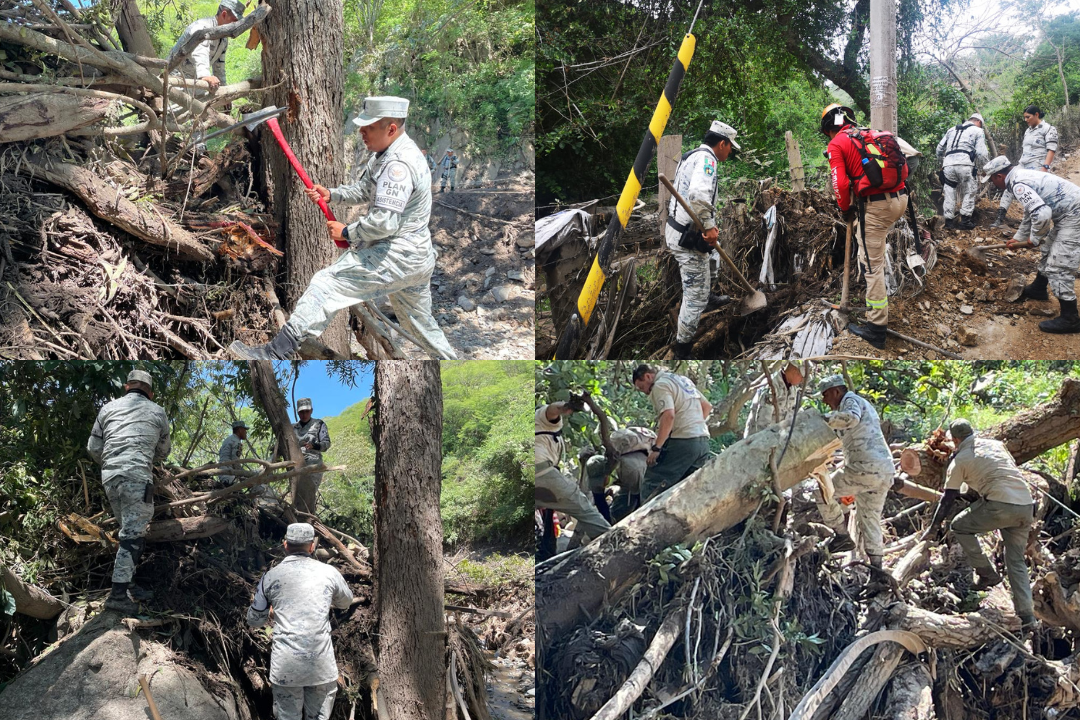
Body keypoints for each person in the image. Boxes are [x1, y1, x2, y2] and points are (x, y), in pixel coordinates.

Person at [230, 96, 457, 360]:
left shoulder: (398, 165)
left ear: (391, 129)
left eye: (369, 127)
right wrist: (332, 194)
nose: (362, 131)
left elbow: (385, 222)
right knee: (421, 326)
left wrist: (348, 232)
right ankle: (454, 363)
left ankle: (275, 352)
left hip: (398, 256)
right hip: (416, 258)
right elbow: (364, 189)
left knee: (328, 283)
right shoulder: (387, 154)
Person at [921, 419, 1037, 631]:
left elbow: (948, 498)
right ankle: (1027, 616)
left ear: (955, 440)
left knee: (959, 526)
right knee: (1016, 563)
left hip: (1000, 506)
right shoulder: (996, 445)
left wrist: (933, 527)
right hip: (1026, 505)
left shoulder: (960, 460)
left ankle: (986, 573)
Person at [820, 103, 909, 349]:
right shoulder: (869, 133)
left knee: (871, 265)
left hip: (877, 207)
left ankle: (876, 329)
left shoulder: (836, 143)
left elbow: (839, 184)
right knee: (875, 251)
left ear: (829, 128)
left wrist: (845, 208)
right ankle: (881, 299)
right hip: (900, 199)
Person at [247, 523, 353, 720]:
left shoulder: (270, 577)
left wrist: (272, 613)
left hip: (286, 667)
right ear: (312, 546)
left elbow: (254, 620)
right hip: (321, 666)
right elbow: (345, 602)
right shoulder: (329, 573)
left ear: (285, 545)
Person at [86, 369, 172, 614]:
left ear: (127, 387)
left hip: (110, 476)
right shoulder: (157, 411)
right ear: (150, 392)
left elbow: (93, 447)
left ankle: (130, 585)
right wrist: (142, 460)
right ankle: (117, 595)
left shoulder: (107, 408)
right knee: (133, 536)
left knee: (129, 531)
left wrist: (113, 462)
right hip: (136, 476)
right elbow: (164, 451)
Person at [664, 120, 739, 359]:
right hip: (688, 237)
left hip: (682, 229)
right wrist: (708, 225)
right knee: (693, 296)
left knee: (713, 257)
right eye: (730, 147)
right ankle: (682, 349)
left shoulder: (691, 156)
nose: (731, 151)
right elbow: (697, 194)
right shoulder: (707, 160)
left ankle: (707, 297)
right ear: (722, 143)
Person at [983, 155, 1080, 333]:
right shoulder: (1021, 176)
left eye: (991, 180)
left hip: (1074, 215)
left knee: (1059, 264)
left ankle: (1070, 318)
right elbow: (1031, 213)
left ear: (999, 176)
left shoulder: (1018, 184)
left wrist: (1033, 240)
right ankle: (1038, 288)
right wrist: (1019, 238)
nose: (992, 184)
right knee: (1048, 249)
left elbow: (1042, 214)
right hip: (1068, 215)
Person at [815, 375, 893, 571]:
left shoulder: (850, 401)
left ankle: (841, 536)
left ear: (836, 391)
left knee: (821, 490)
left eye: (825, 396)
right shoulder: (857, 405)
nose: (825, 401)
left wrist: (820, 420)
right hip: (883, 470)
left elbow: (850, 418)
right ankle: (877, 571)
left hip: (865, 468)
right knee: (869, 519)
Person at [535, 398, 612, 547]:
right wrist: (566, 406)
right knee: (583, 508)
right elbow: (552, 409)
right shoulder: (540, 418)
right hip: (542, 472)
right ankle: (614, 543)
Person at [631, 365, 713, 501]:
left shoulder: (660, 385)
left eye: (642, 387)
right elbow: (707, 406)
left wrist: (657, 447)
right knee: (688, 491)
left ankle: (648, 521)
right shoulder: (682, 380)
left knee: (652, 484)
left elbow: (669, 416)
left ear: (648, 376)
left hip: (683, 441)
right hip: (702, 442)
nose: (644, 391)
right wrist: (694, 425)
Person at [992, 105, 1059, 229]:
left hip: (1037, 166)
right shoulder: (1028, 130)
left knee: (1032, 196)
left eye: (1028, 117)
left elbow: (1051, 150)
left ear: (1037, 115)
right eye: (1024, 117)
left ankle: (1032, 227)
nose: (1026, 120)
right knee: (1009, 187)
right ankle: (999, 218)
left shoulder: (1048, 129)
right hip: (1023, 164)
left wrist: (1045, 167)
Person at [168, 1, 243, 94]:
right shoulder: (202, 28)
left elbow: (219, 67)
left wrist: (224, 92)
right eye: (234, 22)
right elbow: (200, 52)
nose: (236, 27)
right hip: (176, 81)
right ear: (224, 14)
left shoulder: (223, 39)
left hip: (196, 84)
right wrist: (206, 76)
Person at [936, 112, 990, 230]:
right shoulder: (977, 131)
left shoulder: (951, 130)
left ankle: (949, 222)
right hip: (965, 164)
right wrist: (986, 168)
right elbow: (982, 153)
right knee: (970, 190)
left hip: (948, 165)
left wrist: (943, 163)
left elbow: (939, 149)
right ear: (979, 122)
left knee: (949, 192)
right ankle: (965, 221)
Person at [744, 362, 804, 436]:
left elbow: (793, 412)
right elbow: (762, 420)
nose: (802, 380)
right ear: (794, 372)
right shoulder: (772, 385)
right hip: (760, 437)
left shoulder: (793, 389)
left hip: (777, 437)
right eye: (801, 376)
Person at [293, 399, 331, 495]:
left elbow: (326, 444)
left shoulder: (319, 424)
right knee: (297, 495)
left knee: (309, 494)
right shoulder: (292, 427)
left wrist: (315, 446)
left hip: (314, 464)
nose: (304, 414)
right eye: (301, 412)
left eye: (307, 411)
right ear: (298, 413)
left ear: (311, 411)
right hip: (295, 465)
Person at [218, 420, 254, 486]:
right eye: (244, 430)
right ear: (240, 430)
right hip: (229, 474)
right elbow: (235, 463)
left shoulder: (227, 440)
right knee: (239, 494)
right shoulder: (236, 441)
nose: (245, 432)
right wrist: (246, 475)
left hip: (221, 473)